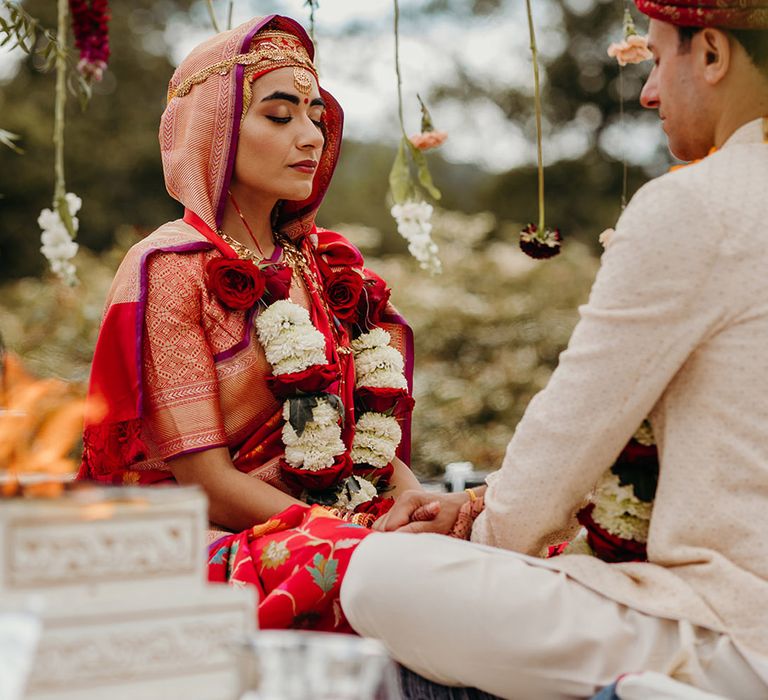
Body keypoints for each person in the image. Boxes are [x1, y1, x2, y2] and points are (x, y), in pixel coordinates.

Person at [340, 1, 768, 697]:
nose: (649, 90)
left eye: (657, 59)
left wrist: (483, 531)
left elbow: (572, 431)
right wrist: (483, 503)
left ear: (712, 54)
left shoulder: (698, 204)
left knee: (378, 576)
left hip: (734, 628)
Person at [77, 15, 421, 632]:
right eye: (280, 115)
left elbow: (360, 434)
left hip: (335, 526)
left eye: (317, 115)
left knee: (481, 532)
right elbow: (206, 483)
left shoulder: (325, 264)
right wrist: (357, 533)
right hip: (215, 540)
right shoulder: (169, 268)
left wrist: (413, 497)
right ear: (214, 129)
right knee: (395, 575)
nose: (311, 136)